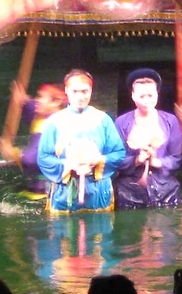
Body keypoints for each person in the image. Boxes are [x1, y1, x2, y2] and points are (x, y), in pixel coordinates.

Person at [36, 69, 127, 214]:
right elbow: (43, 157)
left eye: (84, 91)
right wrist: (68, 164)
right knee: (64, 228)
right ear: (67, 91)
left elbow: (119, 153)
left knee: (99, 226)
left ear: (91, 90)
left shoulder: (103, 120)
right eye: (75, 91)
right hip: (64, 191)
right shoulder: (54, 122)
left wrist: (98, 160)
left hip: (97, 190)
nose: (80, 97)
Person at [113, 68, 182, 208]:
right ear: (133, 96)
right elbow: (117, 158)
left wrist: (157, 162)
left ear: (157, 94)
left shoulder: (170, 120)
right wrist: (137, 160)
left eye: (150, 96)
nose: (146, 101)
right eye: (142, 96)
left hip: (165, 189)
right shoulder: (121, 122)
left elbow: (176, 157)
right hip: (130, 191)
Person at [8, 80, 66, 198]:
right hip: (37, 185)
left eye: (41, 97)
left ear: (55, 102)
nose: (37, 101)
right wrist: (23, 100)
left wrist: (14, 154)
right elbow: (32, 107)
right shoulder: (42, 116)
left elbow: (34, 159)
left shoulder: (52, 125)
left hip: (46, 191)